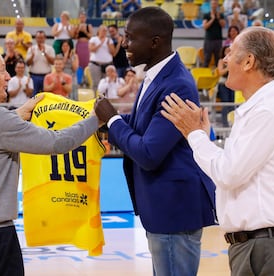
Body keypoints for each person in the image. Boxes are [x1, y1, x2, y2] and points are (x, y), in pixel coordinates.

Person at [0, 43, 105, 276]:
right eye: (1, 70)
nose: (8, 76)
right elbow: (57, 143)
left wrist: (16, 115)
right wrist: (96, 119)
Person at [160, 26, 274, 276]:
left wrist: (194, 135)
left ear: (249, 61)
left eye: (231, 52)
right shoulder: (261, 109)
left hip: (268, 247)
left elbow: (228, 173)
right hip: (259, 245)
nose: (225, 59)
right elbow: (232, 169)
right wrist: (202, 137)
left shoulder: (268, 112)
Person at [94, 7, 216, 276]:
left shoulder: (177, 84)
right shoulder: (159, 74)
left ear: (155, 42)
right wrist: (100, 120)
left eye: (130, 37)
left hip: (173, 211)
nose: (124, 43)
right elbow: (142, 126)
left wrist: (112, 121)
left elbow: (149, 152)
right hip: (164, 209)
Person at [26, 30, 55, 96]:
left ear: (45, 38)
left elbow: (53, 62)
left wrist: (45, 53)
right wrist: (32, 56)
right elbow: (28, 64)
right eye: (38, 38)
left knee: (46, 96)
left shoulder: (50, 49)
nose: (40, 40)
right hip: (34, 76)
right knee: (34, 96)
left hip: (46, 76)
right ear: (36, 38)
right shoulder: (31, 49)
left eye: (41, 38)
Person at [88, 25, 115, 92]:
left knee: (106, 82)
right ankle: (95, 98)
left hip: (107, 64)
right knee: (96, 83)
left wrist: (108, 45)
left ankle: (105, 98)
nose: (104, 32)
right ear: (99, 31)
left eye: (105, 31)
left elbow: (113, 52)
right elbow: (92, 49)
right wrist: (101, 43)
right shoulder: (94, 39)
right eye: (103, 30)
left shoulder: (109, 40)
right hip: (95, 64)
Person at [202, 0, 226, 68]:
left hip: (218, 39)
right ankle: (204, 73)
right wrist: (212, 19)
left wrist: (218, 18)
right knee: (207, 58)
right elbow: (205, 26)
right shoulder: (207, 15)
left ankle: (218, 74)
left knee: (217, 58)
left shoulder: (221, 15)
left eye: (215, 4)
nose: (214, 5)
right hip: (209, 39)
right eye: (213, 4)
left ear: (217, 5)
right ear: (211, 5)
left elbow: (223, 25)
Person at [73, 10, 93, 86]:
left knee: (86, 62)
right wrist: (78, 30)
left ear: (85, 18)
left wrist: (84, 31)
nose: (82, 19)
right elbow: (74, 37)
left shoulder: (89, 26)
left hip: (86, 45)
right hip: (79, 45)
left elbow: (90, 36)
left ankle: (87, 80)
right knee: (79, 63)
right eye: (81, 17)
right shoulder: (77, 26)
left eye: (83, 17)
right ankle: (79, 81)